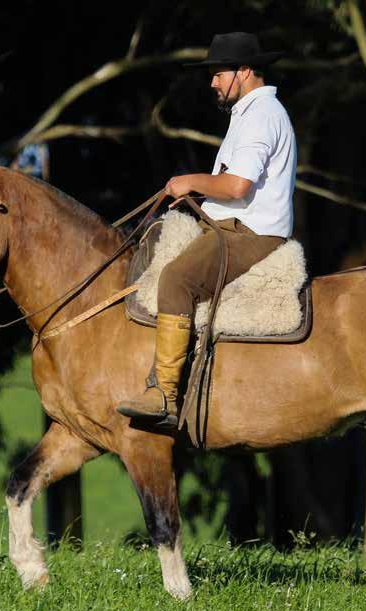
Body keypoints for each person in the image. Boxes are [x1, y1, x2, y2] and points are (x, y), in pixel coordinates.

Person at [117, 32, 297, 428]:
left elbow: (237, 186)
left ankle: (164, 395)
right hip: (231, 225)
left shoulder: (262, 115)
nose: (212, 82)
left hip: (250, 235)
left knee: (176, 279)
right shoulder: (249, 114)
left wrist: (191, 182)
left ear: (245, 72)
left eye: (218, 73)